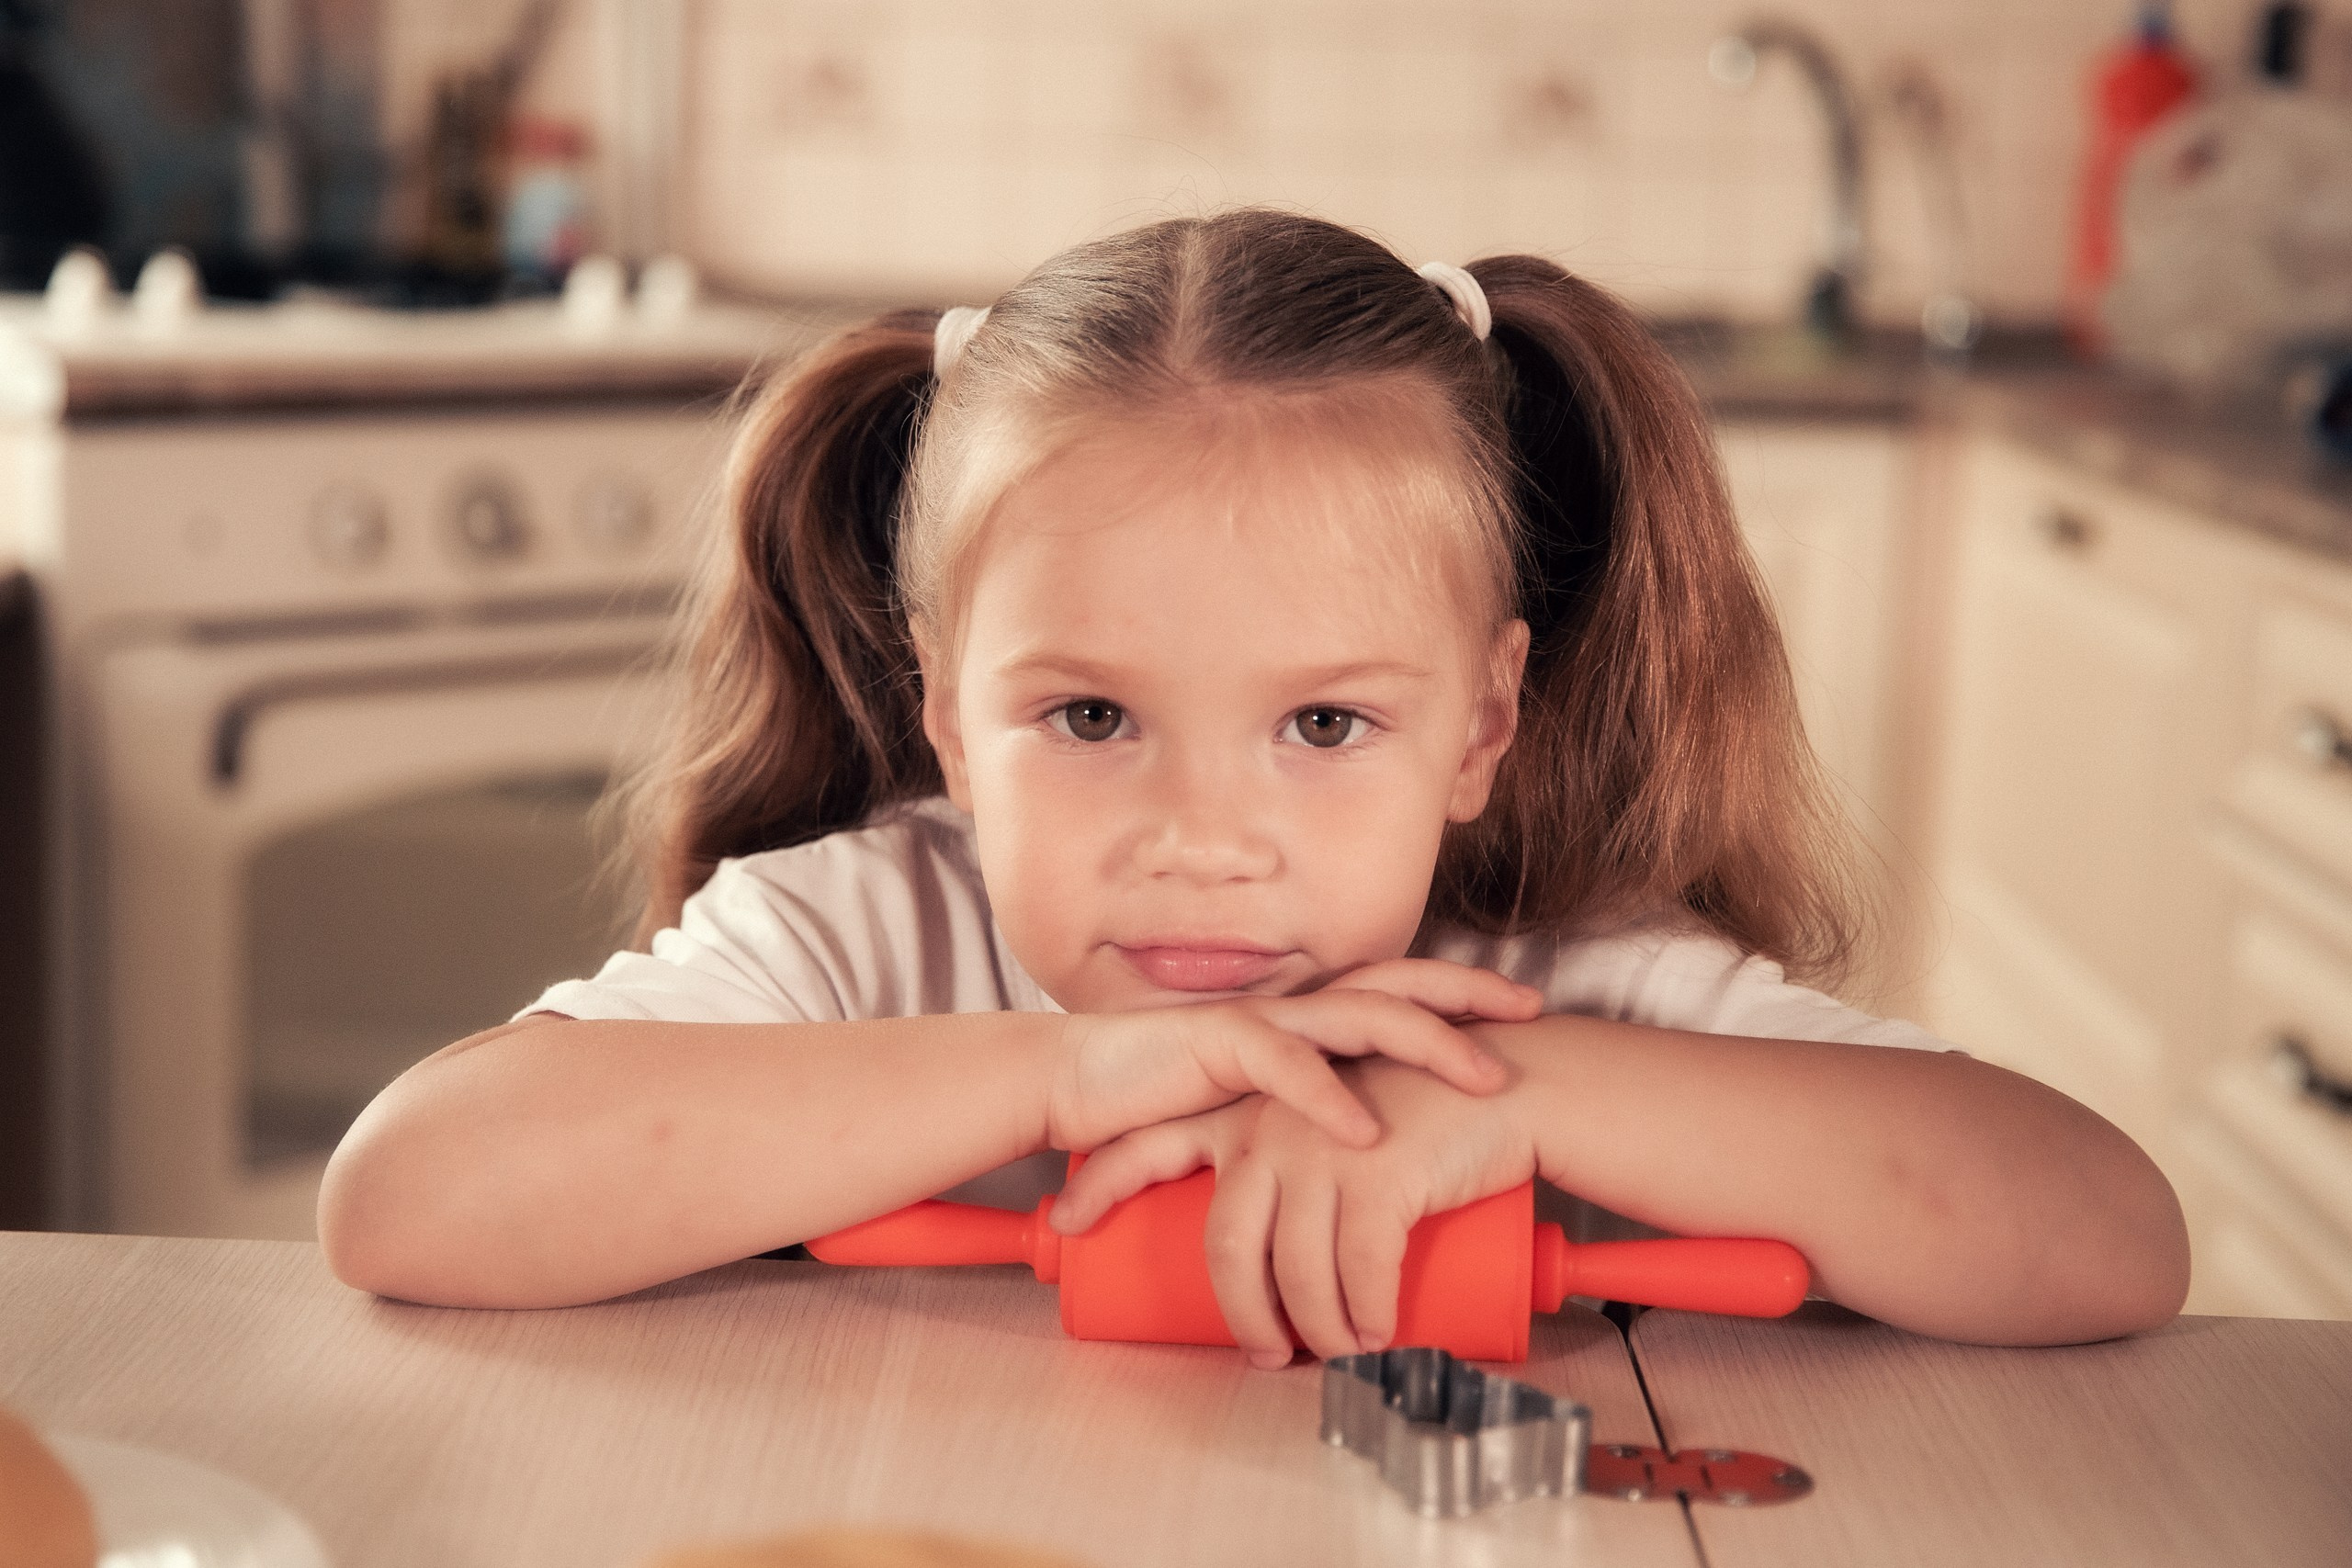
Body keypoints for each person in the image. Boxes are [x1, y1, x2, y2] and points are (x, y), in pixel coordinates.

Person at [319, 209, 2189, 1359]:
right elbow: (406, 1195)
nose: (1200, 840)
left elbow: (2099, 1235)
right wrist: (1064, 1068)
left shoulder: (1552, 980)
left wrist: (1508, 1094)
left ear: (1480, 720)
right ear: (945, 714)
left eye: (1319, 725)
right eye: (1088, 716)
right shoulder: (863, 927)